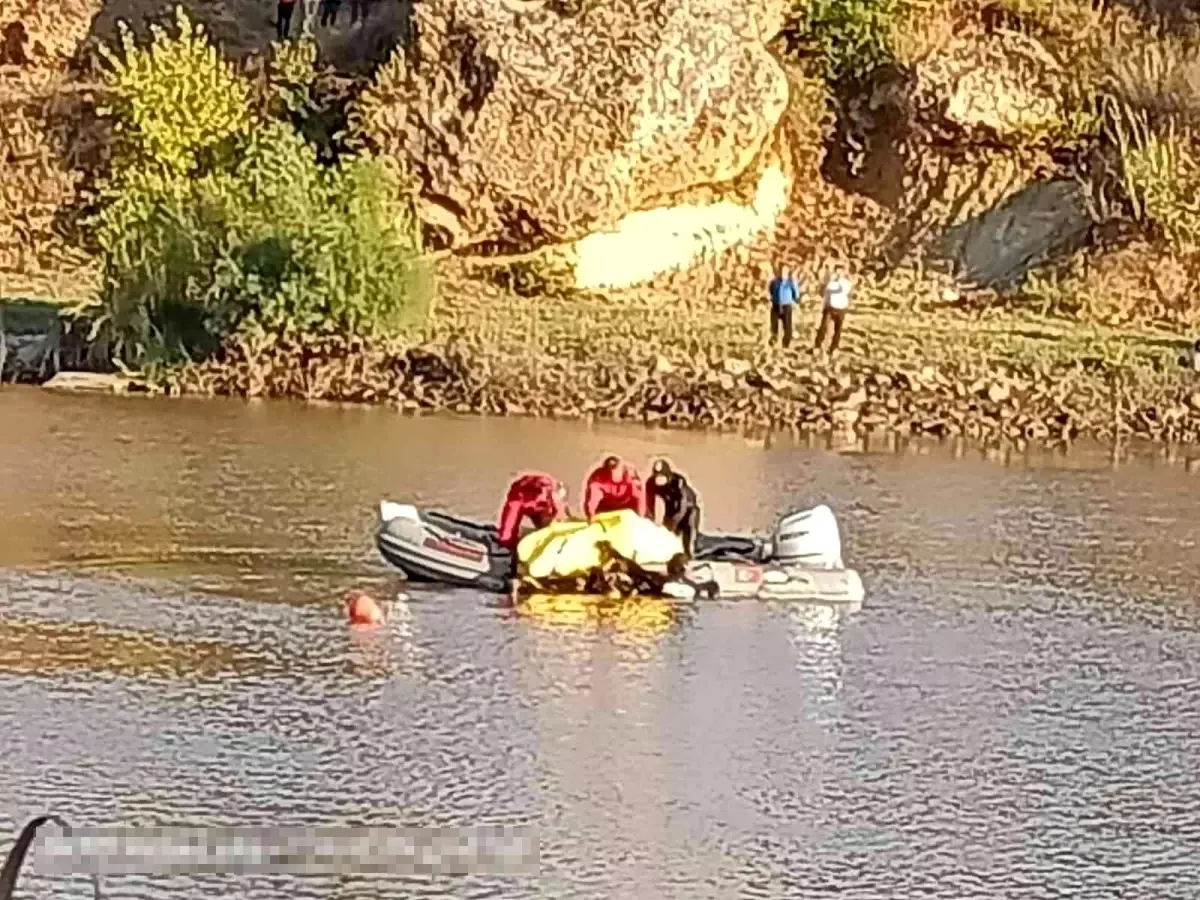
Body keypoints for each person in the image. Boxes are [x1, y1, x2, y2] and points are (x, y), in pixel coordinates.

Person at [496, 472, 568, 550]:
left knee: (507, 538)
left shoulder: (549, 495)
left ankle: (507, 546)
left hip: (528, 494)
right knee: (507, 539)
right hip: (524, 495)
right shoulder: (550, 500)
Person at [647, 459, 701, 557]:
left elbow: (682, 506)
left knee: (688, 535)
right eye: (657, 475)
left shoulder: (678, 483)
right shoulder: (651, 483)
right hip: (670, 509)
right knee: (668, 537)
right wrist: (651, 517)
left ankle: (690, 553)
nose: (659, 478)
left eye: (661, 475)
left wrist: (674, 522)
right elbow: (649, 502)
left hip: (688, 509)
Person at [815, 264, 852, 354]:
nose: (839, 273)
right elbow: (825, 293)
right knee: (823, 328)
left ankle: (834, 348)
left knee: (838, 330)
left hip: (841, 308)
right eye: (837, 271)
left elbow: (841, 290)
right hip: (830, 307)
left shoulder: (846, 283)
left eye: (841, 271)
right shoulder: (830, 282)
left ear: (843, 272)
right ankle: (817, 346)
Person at [768, 263, 800, 349]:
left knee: (787, 326)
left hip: (786, 306)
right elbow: (771, 290)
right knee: (774, 324)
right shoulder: (775, 281)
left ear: (788, 272)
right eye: (781, 271)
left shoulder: (790, 282)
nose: (783, 273)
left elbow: (795, 294)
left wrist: (794, 300)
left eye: (785, 271)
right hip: (776, 305)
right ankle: (773, 340)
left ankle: (786, 344)